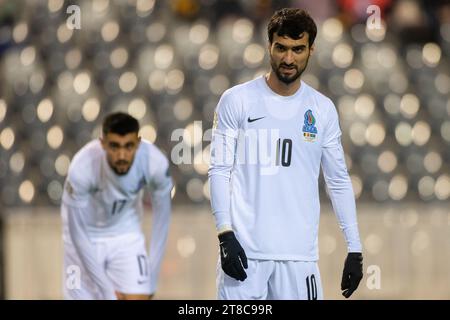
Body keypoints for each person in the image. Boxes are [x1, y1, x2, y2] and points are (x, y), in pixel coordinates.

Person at [208, 8, 363, 300]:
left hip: (299, 257)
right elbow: (219, 170)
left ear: (311, 50)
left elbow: (338, 180)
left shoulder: (322, 109)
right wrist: (225, 234)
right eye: (281, 48)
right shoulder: (237, 100)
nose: (288, 59)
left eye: (297, 49)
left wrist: (354, 248)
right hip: (244, 256)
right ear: (269, 46)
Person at [61, 112, 172, 300]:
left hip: (126, 234)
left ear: (138, 143)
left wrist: (151, 277)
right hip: (83, 239)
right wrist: (106, 292)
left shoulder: (154, 163)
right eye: (114, 146)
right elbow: (77, 232)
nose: (122, 155)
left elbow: (162, 218)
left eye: (128, 146)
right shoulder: (82, 168)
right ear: (102, 143)